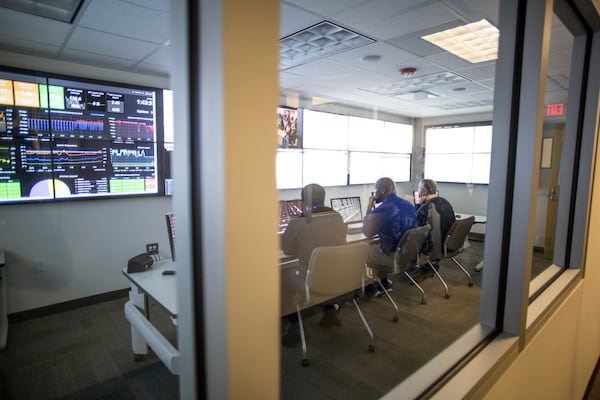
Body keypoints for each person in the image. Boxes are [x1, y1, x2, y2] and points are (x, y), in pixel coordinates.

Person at [280, 183, 346, 346]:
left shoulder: (300, 220)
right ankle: (330, 310)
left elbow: (287, 250)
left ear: (304, 202)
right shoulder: (337, 216)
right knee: (324, 269)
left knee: (281, 276)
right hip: (339, 279)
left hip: (313, 282)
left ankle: (295, 326)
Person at [362, 177, 418, 295]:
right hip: (408, 254)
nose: (374, 194)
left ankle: (366, 287)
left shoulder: (384, 209)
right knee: (381, 244)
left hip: (392, 257)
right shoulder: (408, 204)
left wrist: (369, 208)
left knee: (362, 249)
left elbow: (367, 232)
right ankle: (383, 283)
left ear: (382, 191)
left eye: (375, 190)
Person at [414, 178, 456, 261]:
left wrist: (418, 204)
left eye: (419, 188)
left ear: (424, 191)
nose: (418, 191)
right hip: (449, 243)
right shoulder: (445, 202)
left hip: (433, 247)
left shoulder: (425, 207)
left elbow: (416, 227)